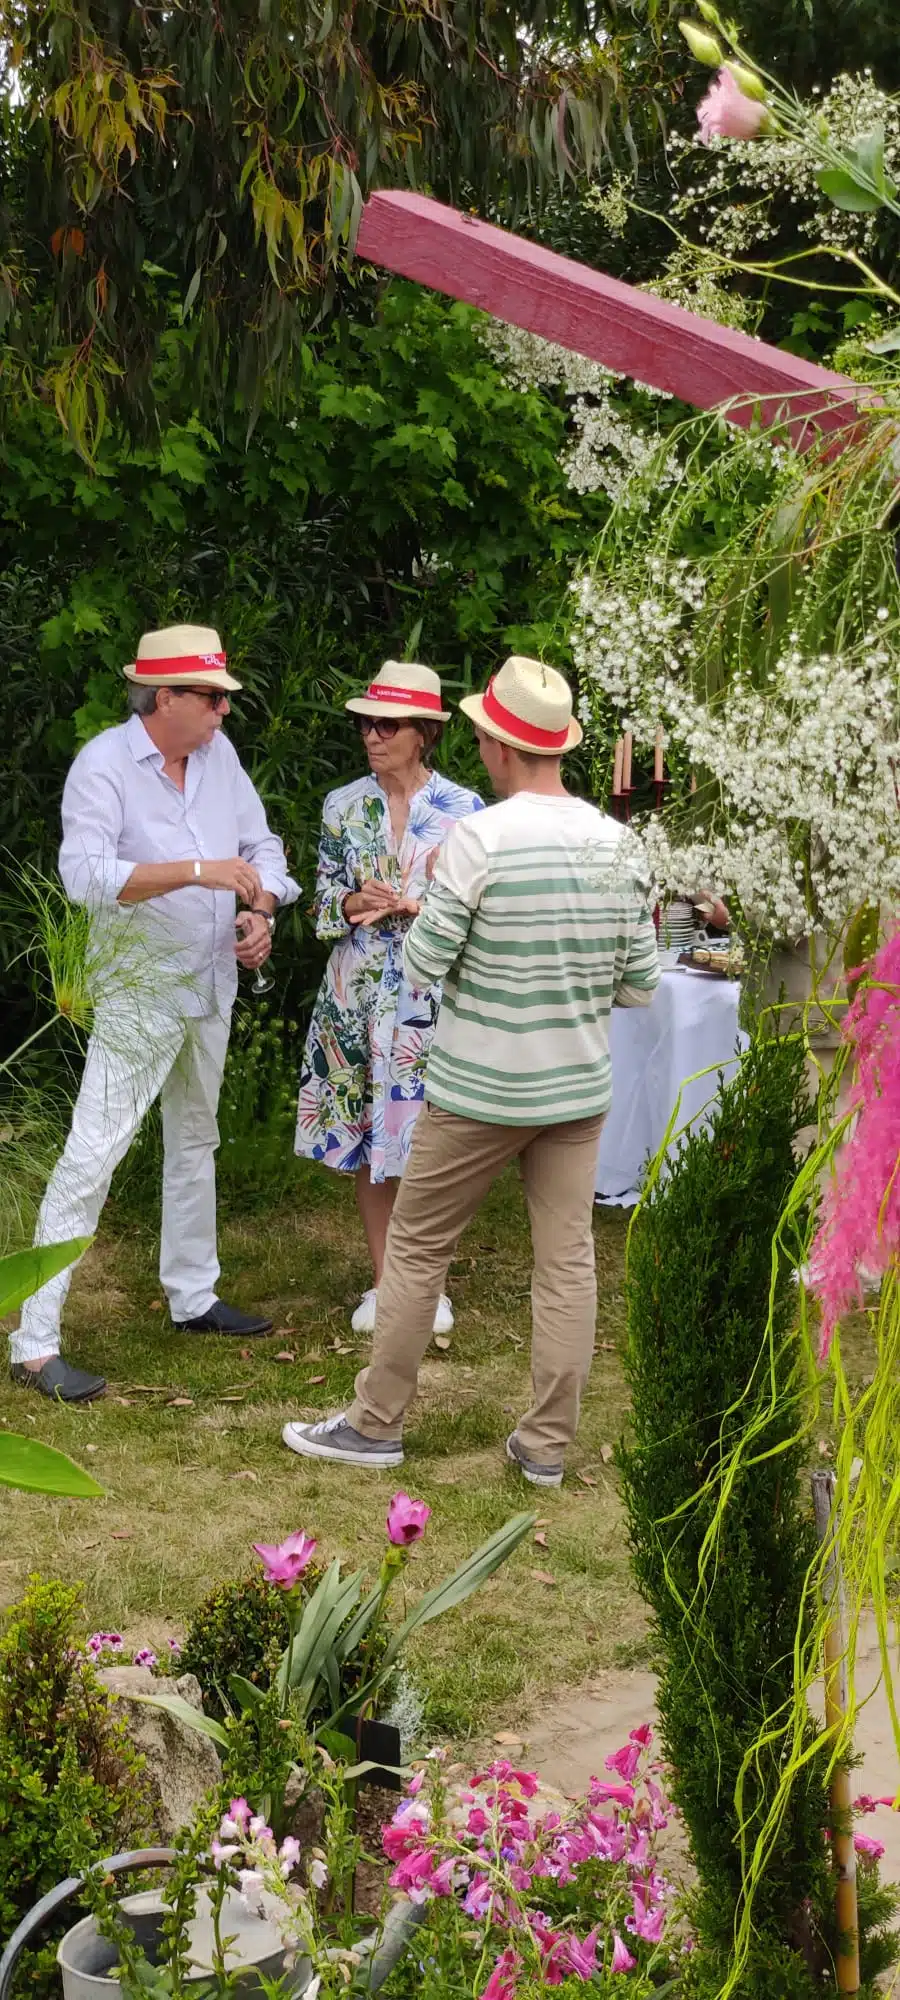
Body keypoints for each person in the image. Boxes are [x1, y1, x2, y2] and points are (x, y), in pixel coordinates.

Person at [282, 654, 660, 1487]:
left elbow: (421, 963)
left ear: (493, 745)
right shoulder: (617, 842)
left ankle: (375, 1424)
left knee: (416, 1249)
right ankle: (545, 1447)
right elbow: (639, 984)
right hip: (575, 1088)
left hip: (480, 1086)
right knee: (566, 1262)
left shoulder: (479, 836)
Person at [10, 624, 299, 1402]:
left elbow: (263, 848)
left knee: (196, 1138)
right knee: (94, 1152)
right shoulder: (104, 764)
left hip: (212, 982)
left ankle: (193, 1296)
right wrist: (198, 872)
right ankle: (34, 1343)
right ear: (163, 696)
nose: (223, 712)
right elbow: (85, 876)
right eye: (210, 697)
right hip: (139, 989)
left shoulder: (218, 759)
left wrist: (260, 912)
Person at [295, 661, 482, 1334]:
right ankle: (386, 1287)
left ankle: (428, 1286)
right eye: (365, 723)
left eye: (386, 724)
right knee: (372, 1141)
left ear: (424, 733)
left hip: (429, 1000)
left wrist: (419, 905)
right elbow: (320, 905)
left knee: (434, 1142)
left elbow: (481, 914)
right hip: (355, 995)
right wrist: (351, 901)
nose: (371, 736)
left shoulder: (467, 813)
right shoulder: (342, 806)